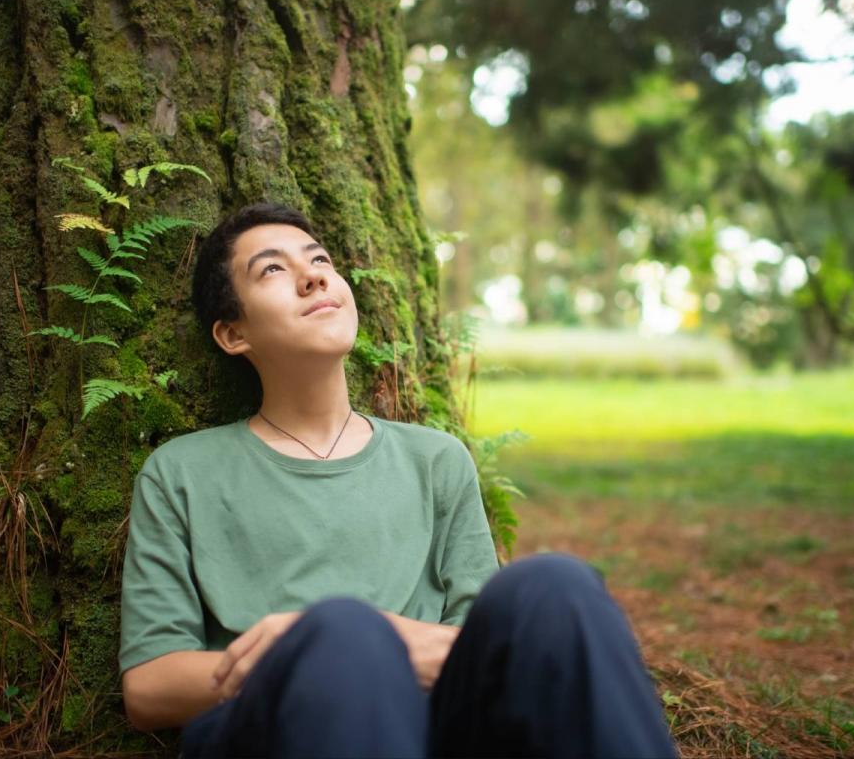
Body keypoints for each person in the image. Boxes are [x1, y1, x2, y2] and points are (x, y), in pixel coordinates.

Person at [118, 203, 679, 758]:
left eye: (319, 260)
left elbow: (479, 650)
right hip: (277, 726)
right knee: (342, 632)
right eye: (272, 269)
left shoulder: (435, 459)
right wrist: (302, 649)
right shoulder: (182, 472)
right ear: (233, 334)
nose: (313, 276)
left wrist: (388, 637)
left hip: (442, 723)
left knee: (558, 585)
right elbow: (148, 687)